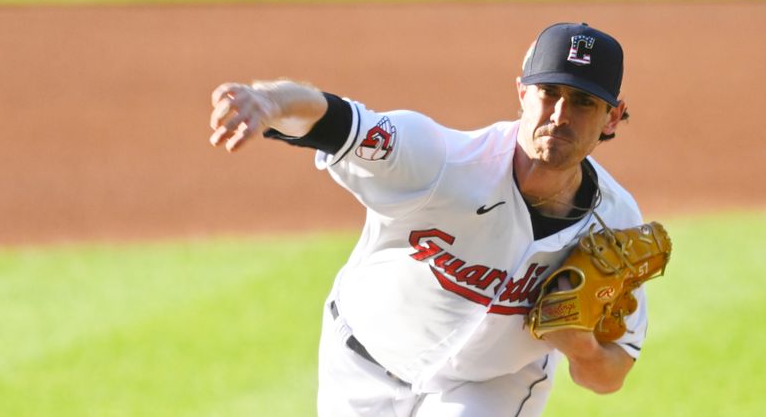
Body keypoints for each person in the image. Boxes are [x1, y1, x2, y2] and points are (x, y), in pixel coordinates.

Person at [209, 22, 644, 416]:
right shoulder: (440, 161)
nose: (559, 115)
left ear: (613, 117)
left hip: (490, 388)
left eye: (584, 102)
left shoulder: (617, 223)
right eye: (549, 92)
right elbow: (336, 119)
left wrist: (581, 348)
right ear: (522, 93)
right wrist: (268, 100)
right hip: (361, 363)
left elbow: (609, 374)